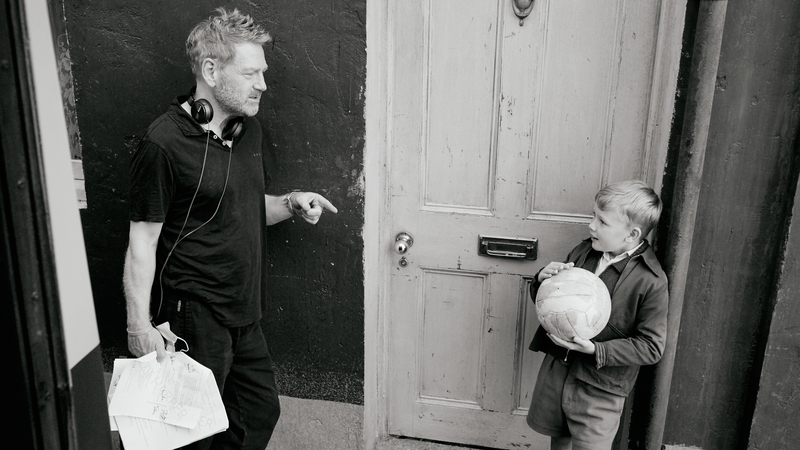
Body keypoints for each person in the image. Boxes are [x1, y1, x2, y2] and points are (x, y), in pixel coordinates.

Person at [122, 8, 337, 449]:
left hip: (244, 310)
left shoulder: (246, 132)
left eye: (263, 72)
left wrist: (292, 203)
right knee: (186, 433)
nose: (263, 84)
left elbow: (241, 207)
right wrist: (138, 326)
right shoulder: (163, 144)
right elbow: (142, 240)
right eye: (251, 73)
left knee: (257, 411)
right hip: (193, 314)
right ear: (210, 70)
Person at [526, 180, 668, 450]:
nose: (591, 225)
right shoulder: (583, 251)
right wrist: (542, 281)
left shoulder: (651, 280)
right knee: (559, 440)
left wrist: (596, 349)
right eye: (593, 216)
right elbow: (554, 305)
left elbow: (651, 347)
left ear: (632, 234)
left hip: (601, 388)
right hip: (558, 370)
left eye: (602, 221)